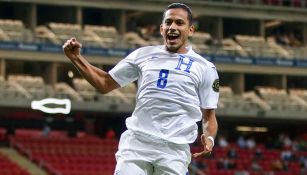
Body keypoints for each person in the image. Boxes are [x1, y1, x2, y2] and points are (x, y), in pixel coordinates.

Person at [63, 3, 219, 175]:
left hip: (174, 150)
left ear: (190, 30)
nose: (172, 27)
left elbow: (209, 116)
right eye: (168, 22)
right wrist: (76, 58)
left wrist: (209, 138)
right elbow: (104, 83)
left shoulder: (205, 68)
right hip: (137, 143)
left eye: (179, 23)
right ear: (161, 28)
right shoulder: (142, 55)